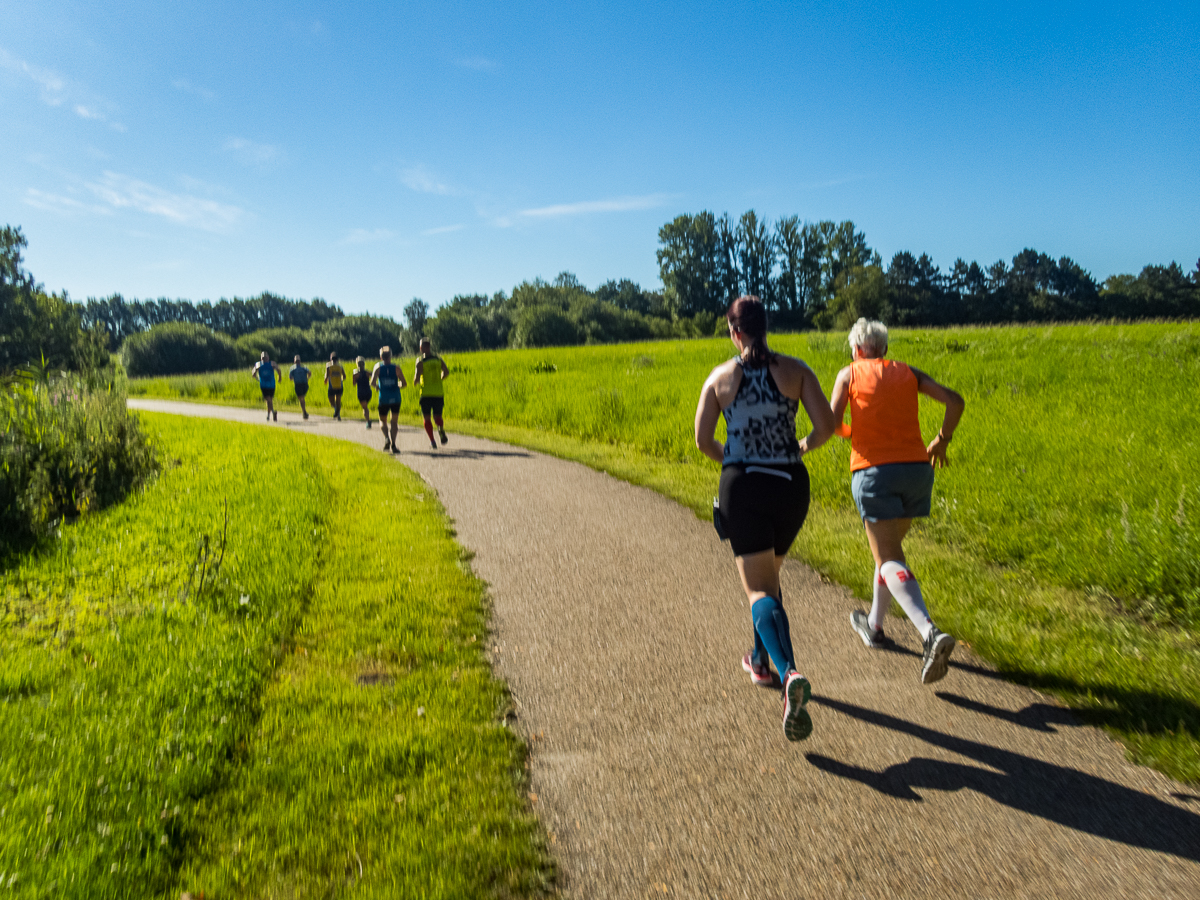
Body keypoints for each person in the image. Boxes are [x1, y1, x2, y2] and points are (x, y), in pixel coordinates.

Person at [694, 296, 836, 742]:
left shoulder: (720, 377)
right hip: (790, 485)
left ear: (734, 331)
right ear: (765, 328)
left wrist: (734, 460)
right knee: (770, 580)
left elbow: (702, 440)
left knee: (758, 589)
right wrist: (799, 449)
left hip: (745, 485)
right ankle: (760, 663)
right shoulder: (796, 371)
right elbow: (827, 426)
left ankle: (788, 672)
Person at [828, 317, 966, 685]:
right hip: (918, 471)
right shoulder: (908, 372)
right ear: (885, 349)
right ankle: (874, 625)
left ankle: (929, 633)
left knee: (887, 556)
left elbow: (832, 424)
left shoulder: (849, 374)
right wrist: (942, 439)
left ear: (856, 350)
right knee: (889, 553)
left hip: (875, 472)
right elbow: (955, 401)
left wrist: (850, 430)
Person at [414, 337, 450, 450]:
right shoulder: (438, 359)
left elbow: (417, 376)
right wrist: (440, 378)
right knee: (438, 416)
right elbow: (446, 372)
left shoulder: (420, 361)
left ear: (421, 348)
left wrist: (415, 381)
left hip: (426, 393)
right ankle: (440, 429)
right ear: (429, 346)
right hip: (438, 392)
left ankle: (433, 441)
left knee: (427, 418)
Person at [370, 345, 406, 453]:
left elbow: (372, 383)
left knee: (382, 420)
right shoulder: (397, 368)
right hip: (395, 398)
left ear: (381, 357)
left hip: (383, 398)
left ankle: (386, 438)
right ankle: (393, 444)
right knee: (394, 422)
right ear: (391, 356)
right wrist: (398, 385)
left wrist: (377, 387)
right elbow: (404, 384)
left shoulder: (378, 368)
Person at [251, 352, 283, 421]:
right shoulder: (272, 363)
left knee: (268, 400)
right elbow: (279, 370)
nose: (265, 359)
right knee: (269, 400)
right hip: (272, 384)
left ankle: (273, 412)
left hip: (264, 385)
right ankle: (269, 415)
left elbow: (253, 373)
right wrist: (279, 377)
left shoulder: (259, 364)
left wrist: (256, 377)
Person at [352, 356, 373, 429]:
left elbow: (354, 384)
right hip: (368, 392)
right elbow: (375, 376)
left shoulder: (356, 374)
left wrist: (354, 377)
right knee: (366, 406)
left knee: (365, 408)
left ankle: (368, 421)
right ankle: (368, 420)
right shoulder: (367, 373)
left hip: (361, 392)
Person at [324, 352, 346, 421]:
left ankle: (336, 410)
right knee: (338, 401)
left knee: (331, 401)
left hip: (332, 386)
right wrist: (341, 379)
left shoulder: (329, 366)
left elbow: (327, 375)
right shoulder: (340, 367)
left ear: (331, 359)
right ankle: (338, 414)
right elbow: (344, 376)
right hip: (339, 385)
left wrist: (325, 380)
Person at [288, 355, 311, 419]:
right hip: (304, 384)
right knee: (302, 398)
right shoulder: (303, 367)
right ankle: (304, 412)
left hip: (298, 384)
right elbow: (309, 372)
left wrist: (295, 377)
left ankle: (304, 412)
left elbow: (290, 378)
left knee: (301, 398)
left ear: (294, 361)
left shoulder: (292, 368)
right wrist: (307, 378)